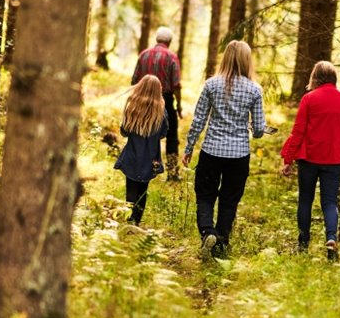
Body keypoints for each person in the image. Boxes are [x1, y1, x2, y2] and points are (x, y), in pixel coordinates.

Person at [184, 40, 266, 259]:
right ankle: (221, 243)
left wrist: (189, 147)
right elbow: (259, 129)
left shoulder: (211, 85)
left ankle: (206, 233)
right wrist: (253, 130)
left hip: (211, 151)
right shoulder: (254, 90)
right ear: (247, 61)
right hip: (239, 155)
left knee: (205, 195)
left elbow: (199, 119)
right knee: (229, 199)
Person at [280, 61, 340, 261]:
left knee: (305, 200)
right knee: (330, 201)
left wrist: (288, 159)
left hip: (309, 158)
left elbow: (298, 131)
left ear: (315, 78)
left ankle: (303, 243)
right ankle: (331, 238)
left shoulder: (309, 99)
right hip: (334, 159)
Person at [114, 75, 169, 225]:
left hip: (132, 156)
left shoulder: (132, 108)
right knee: (143, 190)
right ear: (158, 91)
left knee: (130, 187)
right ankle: (136, 220)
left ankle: (129, 217)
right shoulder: (161, 112)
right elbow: (164, 133)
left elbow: (124, 131)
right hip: (150, 158)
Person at [132, 27, 183, 181]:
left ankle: (139, 168)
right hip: (165, 100)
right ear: (169, 41)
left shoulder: (143, 55)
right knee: (171, 135)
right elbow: (176, 85)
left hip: (143, 99)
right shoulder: (172, 57)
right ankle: (172, 173)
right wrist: (178, 105)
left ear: (157, 39)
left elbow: (134, 81)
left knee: (141, 132)